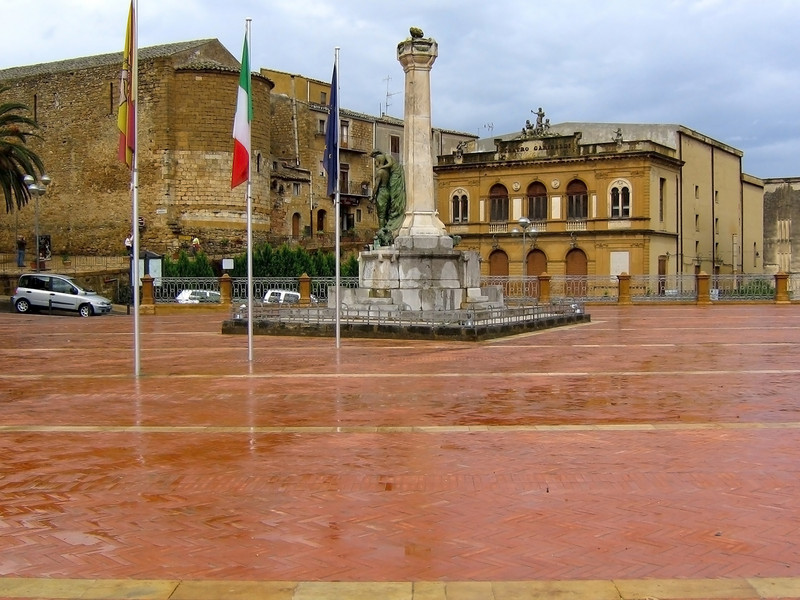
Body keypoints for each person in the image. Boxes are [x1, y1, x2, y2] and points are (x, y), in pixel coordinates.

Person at [370, 150, 406, 246]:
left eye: (375, 162)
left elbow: (376, 186)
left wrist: (372, 196)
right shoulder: (387, 172)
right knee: (386, 213)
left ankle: (381, 234)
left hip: (381, 192)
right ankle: (386, 231)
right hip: (388, 192)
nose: (375, 164)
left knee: (381, 215)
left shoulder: (380, 172)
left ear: (378, 161)